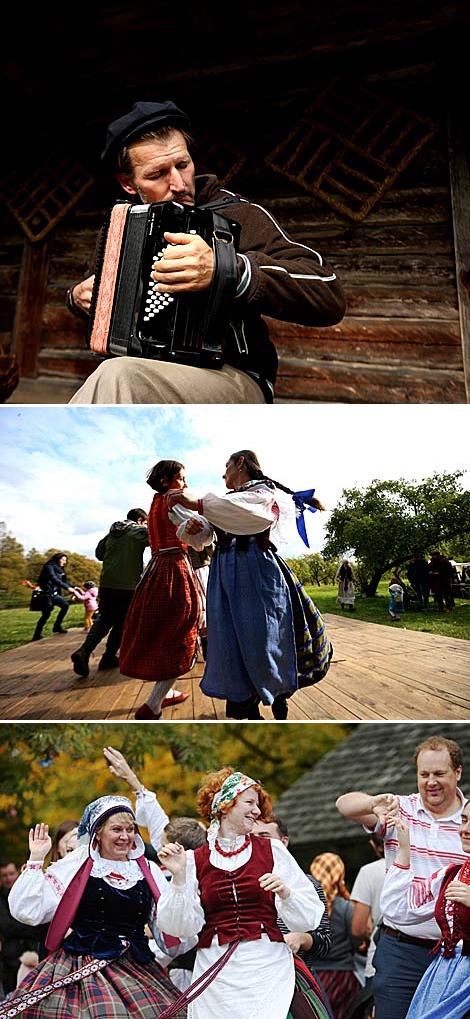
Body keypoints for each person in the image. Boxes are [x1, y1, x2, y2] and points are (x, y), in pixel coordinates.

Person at [66, 99, 346, 406]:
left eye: (182, 165)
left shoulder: (238, 214)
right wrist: (79, 299)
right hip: (145, 370)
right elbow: (103, 326)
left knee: (118, 376)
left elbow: (329, 293)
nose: (178, 183)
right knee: (118, 373)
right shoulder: (121, 229)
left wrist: (226, 270)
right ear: (128, 183)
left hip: (235, 375)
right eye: (157, 174)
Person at [166, 449, 332, 720]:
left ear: (240, 463)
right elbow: (207, 531)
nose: (223, 473)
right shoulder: (226, 500)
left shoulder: (263, 493)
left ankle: (278, 694)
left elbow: (246, 514)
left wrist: (197, 503)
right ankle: (247, 708)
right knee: (229, 639)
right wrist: (196, 528)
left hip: (256, 569)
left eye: (227, 466)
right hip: (225, 573)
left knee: (264, 637)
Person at [156, 766, 325, 1019]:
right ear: (225, 806)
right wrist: (179, 879)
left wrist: (285, 892)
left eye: (257, 805)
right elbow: (178, 928)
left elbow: (309, 920)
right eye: (249, 803)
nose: (257, 811)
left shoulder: (272, 850)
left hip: (266, 966)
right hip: (216, 971)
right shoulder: (194, 860)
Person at [5, 795, 181, 1019]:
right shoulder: (76, 866)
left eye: (130, 830)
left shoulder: (147, 870)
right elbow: (27, 910)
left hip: (137, 966)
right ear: (97, 831)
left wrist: (181, 879)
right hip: (81, 964)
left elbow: (170, 930)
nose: (125, 836)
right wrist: (37, 858)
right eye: (116, 829)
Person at [335, 734, 466, 1019]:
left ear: (458, 772)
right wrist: (372, 803)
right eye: (424, 774)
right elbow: (344, 804)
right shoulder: (399, 808)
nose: (431, 782)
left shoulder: (469, 821)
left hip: (456, 955)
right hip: (401, 949)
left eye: (439, 774)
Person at [117, 459, 213, 720]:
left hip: (156, 567)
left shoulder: (155, 502)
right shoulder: (175, 498)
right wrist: (210, 524)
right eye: (182, 478)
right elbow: (199, 535)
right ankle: (154, 703)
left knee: (161, 631)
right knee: (182, 633)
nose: (186, 483)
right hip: (175, 569)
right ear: (165, 481)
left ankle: (165, 692)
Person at [380, 801, 470, 1019]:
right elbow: (397, 908)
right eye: (465, 820)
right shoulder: (452, 874)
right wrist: (404, 849)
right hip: (446, 971)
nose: (464, 830)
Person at [71, 507, 149, 679]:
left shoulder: (111, 533)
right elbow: (157, 539)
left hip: (106, 584)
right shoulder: (138, 531)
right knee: (123, 622)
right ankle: (108, 656)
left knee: (105, 619)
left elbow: (99, 554)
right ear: (140, 520)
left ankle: (85, 651)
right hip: (127, 586)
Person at [307, 853, 362, 1019]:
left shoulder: (305, 904)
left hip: (313, 977)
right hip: (343, 977)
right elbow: (355, 940)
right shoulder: (345, 906)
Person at [0, 861, 47, 995]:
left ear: (18, 873)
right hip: (11, 960)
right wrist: (32, 926)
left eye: (11, 874)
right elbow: (7, 928)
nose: (9, 878)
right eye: (4, 875)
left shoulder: (29, 894)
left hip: (36, 955)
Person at [350, 834, 386, 987]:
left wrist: (368, 936)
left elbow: (357, 928)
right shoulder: (421, 866)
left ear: (373, 844)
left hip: (379, 955)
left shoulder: (368, 872)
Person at [31, 553, 81, 642]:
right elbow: (53, 578)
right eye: (63, 560)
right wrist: (67, 588)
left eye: (65, 560)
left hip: (54, 594)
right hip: (45, 594)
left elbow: (63, 581)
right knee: (46, 614)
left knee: (65, 605)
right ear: (57, 559)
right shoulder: (48, 566)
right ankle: (36, 635)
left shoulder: (60, 569)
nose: (65, 562)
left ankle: (57, 626)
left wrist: (73, 587)